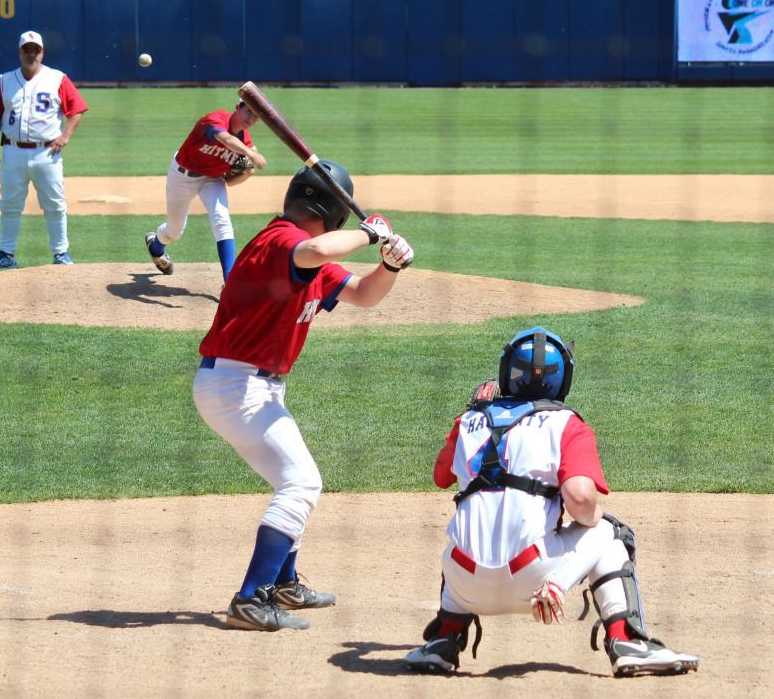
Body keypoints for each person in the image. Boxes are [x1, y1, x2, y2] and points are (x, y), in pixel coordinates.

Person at [192, 160, 414, 631]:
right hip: (237, 386)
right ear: (334, 211)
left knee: (292, 479)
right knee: (301, 484)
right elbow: (314, 247)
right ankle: (251, 599)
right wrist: (371, 234)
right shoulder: (280, 242)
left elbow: (363, 294)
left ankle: (284, 583)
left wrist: (389, 265)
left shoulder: (308, 259)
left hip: (250, 388)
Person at [405, 327, 700, 678]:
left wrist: (468, 420)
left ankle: (443, 640)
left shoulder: (469, 420)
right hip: (533, 578)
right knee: (610, 531)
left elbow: (441, 478)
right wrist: (587, 533)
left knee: (465, 534)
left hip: (463, 584)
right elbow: (579, 499)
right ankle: (627, 642)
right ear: (564, 379)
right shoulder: (567, 424)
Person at [0, 30, 88, 269]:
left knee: (54, 204)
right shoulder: (5, 80)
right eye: (27, 49)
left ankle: (61, 252)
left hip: (46, 152)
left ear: (42, 52)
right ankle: (6, 255)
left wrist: (65, 135)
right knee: (9, 204)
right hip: (12, 152)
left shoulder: (58, 78)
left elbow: (77, 110)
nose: (32, 54)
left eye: (36, 50)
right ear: (19, 52)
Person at [144, 99, 266, 281]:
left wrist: (247, 173)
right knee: (174, 231)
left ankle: (229, 283)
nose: (251, 118)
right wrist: (250, 153)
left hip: (212, 179)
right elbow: (224, 138)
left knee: (222, 220)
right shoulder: (215, 120)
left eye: (256, 116)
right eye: (248, 111)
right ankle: (155, 246)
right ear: (237, 107)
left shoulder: (245, 142)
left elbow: (230, 182)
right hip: (182, 175)